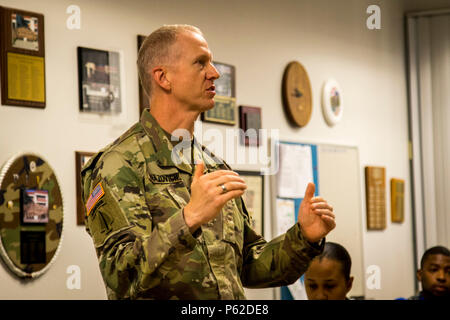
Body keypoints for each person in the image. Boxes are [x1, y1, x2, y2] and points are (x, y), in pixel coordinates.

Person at [81, 24, 336, 300]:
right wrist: (188, 218)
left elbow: (250, 265)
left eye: (211, 63)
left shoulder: (215, 166)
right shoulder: (117, 164)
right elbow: (123, 279)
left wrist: (304, 238)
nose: (214, 73)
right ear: (163, 77)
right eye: (200, 63)